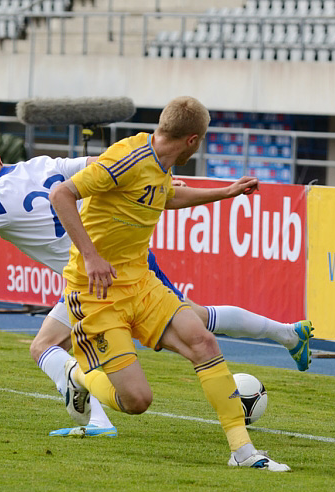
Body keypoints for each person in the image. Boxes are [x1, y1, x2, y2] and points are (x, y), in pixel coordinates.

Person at [0, 132, 313, 441]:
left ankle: (288, 334)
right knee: (45, 344)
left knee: (195, 325)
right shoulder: (44, 165)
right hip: (94, 277)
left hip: (104, 279)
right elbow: (111, 168)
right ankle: (97, 418)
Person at [49, 96, 291, 471]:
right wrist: (92, 256)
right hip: (96, 293)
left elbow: (167, 195)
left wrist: (224, 192)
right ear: (192, 140)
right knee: (136, 401)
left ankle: (243, 452)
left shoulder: (159, 163)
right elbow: (61, 193)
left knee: (203, 341)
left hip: (140, 284)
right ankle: (77, 374)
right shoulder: (126, 158)